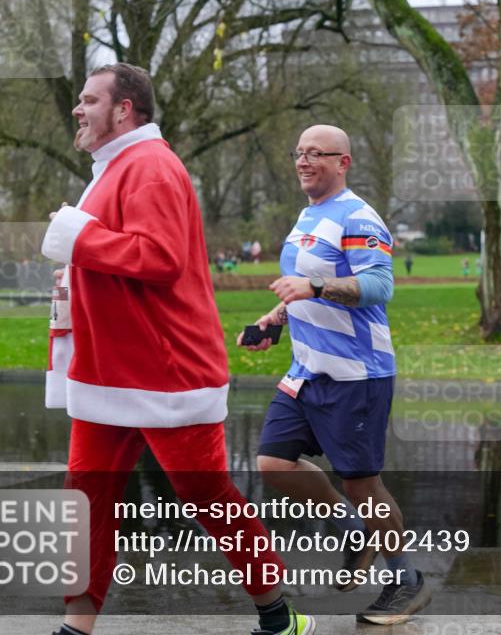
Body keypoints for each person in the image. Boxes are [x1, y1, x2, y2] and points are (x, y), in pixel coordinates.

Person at [40, 63, 314, 635]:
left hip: (167, 372)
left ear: (124, 109)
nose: (77, 110)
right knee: (84, 498)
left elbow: (160, 259)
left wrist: (77, 235)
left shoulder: (152, 167)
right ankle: (75, 626)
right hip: (109, 371)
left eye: (89, 100)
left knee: (203, 493)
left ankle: (278, 614)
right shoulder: (119, 166)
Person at [239, 124, 431, 625]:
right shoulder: (308, 215)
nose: (304, 162)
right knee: (273, 464)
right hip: (306, 372)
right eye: (298, 153)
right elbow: (303, 287)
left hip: (355, 376)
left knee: (362, 484)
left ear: (342, 161)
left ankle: (405, 578)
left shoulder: (359, 217)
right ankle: (351, 531)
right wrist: (274, 319)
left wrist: (315, 286)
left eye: (316, 154)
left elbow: (377, 286)